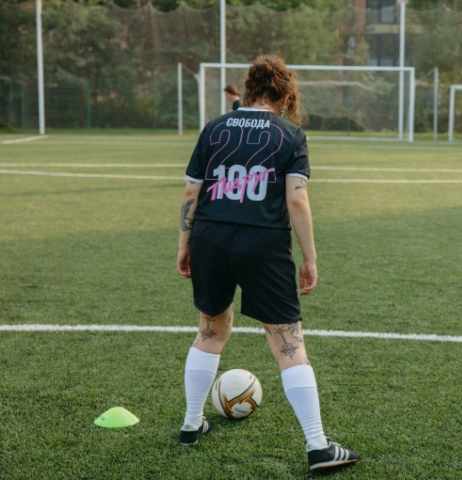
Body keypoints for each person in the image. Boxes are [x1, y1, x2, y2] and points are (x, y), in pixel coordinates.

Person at [176, 54, 360, 473]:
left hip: (210, 235)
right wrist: (310, 257)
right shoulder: (289, 135)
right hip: (263, 243)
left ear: (249, 89)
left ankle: (191, 423)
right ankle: (317, 446)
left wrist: (184, 244)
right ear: (284, 95)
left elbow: (191, 194)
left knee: (210, 329)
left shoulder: (215, 127)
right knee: (286, 340)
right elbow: (296, 198)